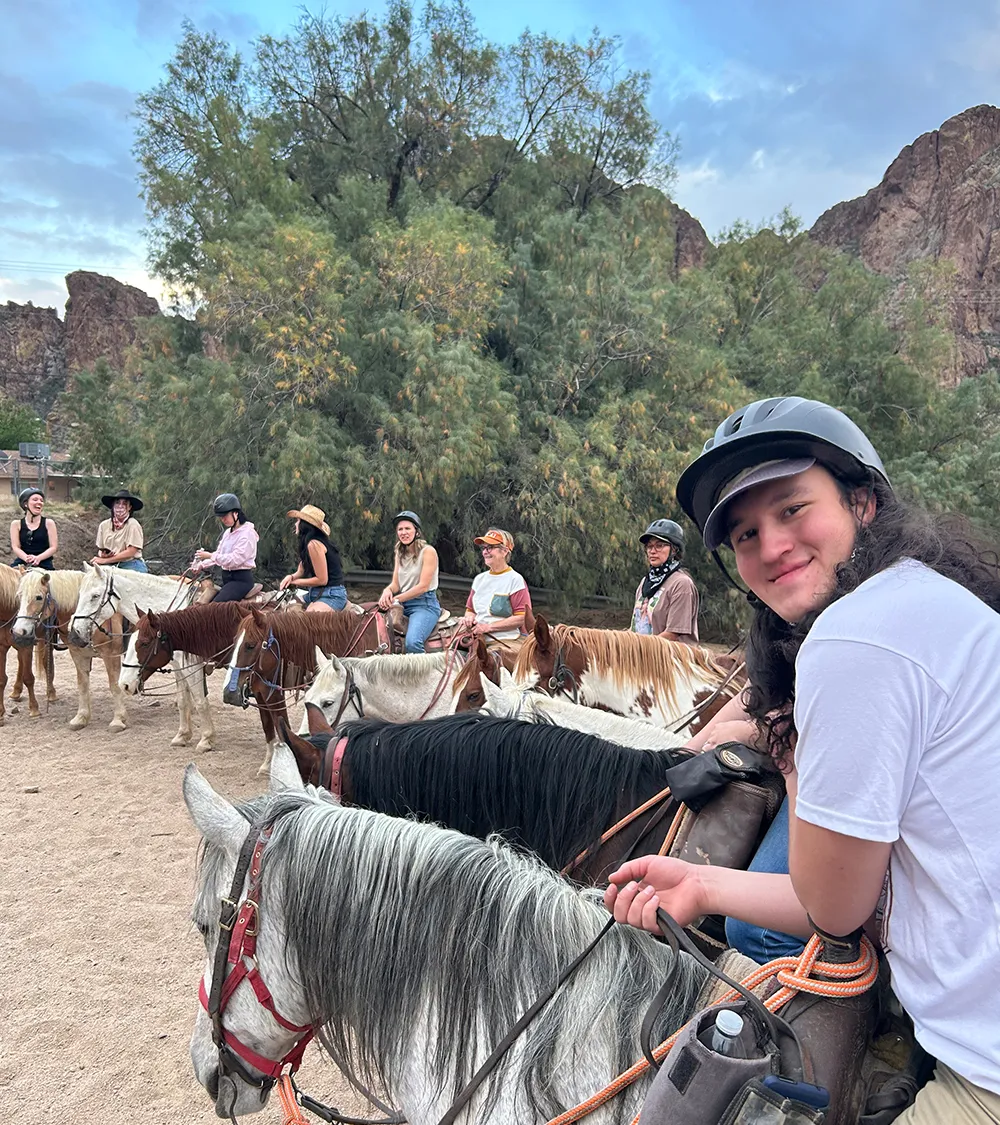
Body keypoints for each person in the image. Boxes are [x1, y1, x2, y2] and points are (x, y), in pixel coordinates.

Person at [605, 396, 1000, 1122]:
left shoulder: (855, 636)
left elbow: (833, 910)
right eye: (746, 534)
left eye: (792, 509)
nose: (771, 545)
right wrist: (700, 880)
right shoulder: (922, 598)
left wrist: (790, 759)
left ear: (862, 502)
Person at [377, 511, 442, 653]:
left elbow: (423, 587)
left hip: (424, 604)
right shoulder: (399, 552)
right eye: (400, 529)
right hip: (402, 605)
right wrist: (387, 591)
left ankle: (424, 668)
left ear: (417, 531)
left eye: (408, 528)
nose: (403, 532)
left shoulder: (428, 552)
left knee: (413, 643)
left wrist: (396, 599)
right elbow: (396, 584)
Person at [631, 518, 700, 641]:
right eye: (649, 546)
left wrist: (638, 647)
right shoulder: (645, 583)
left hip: (671, 652)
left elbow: (672, 634)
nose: (652, 551)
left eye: (659, 546)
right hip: (642, 652)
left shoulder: (681, 584)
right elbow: (634, 628)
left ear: (674, 550)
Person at [462, 528, 532, 641]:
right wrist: (469, 618)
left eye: (490, 547)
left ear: (505, 551)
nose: (485, 552)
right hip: (476, 637)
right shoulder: (479, 579)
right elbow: (470, 610)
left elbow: (521, 617)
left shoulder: (515, 579)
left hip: (505, 639)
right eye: (484, 548)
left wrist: (488, 627)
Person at [188, 493, 259, 601]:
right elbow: (220, 555)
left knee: (214, 607)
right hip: (228, 580)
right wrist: (201, 565)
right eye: (221, 517)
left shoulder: (247, 533)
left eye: (225, 516)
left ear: (235, 513)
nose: (223, 519)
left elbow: (235, 559)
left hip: (240, 581)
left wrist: (210, 555)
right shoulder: (228, 533)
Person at [279, 504, 346, 612]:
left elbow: (322, 580)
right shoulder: (311, 544)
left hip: (331, 595)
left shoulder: (314, 545)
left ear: (304, 525)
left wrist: (295, 582)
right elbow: (301, 570)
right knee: (286, 609)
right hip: (316, 593)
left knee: (308, 619)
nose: (296, 524)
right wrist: (291, 577)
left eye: (298, 521)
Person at [91, 489, 147, 572]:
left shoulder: (133, 525)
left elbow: (131, 552)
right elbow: (100, 549)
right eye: (117, 503)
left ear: (129, 507)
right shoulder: (104, 525)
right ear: (113, 506)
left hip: (130, 563)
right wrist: (103, 555)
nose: (120, 506)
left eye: (124, 503)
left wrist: (105, 560)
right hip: (110, 564)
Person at [9, 487, 57, 570]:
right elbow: (16, 547)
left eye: (41, 500)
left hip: (44, 563)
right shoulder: (16, 524)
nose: (39, 502)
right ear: (25, 504)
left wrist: (38, 558)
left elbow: (53, 547)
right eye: (35, 500)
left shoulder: (49, 523)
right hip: (23, 562)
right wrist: (26, 558)